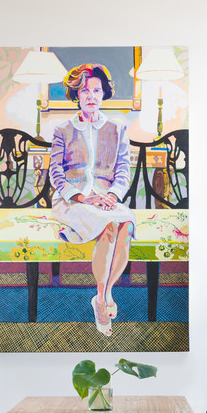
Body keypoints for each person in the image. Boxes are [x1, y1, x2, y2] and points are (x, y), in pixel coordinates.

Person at [49, 63, 136, 335]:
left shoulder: (118, 128)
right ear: (76, 94)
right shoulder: (62, 129)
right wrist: (83, 197)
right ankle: (102, 298)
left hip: (106, 199)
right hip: (72, 200)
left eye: (96, 90)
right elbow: (56, 173)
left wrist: (111, 194)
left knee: (126, 223)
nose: (90, 96)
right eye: (85, 91)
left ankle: (102, 296)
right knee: (109, 225)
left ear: (103, 93)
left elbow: (123, 170)